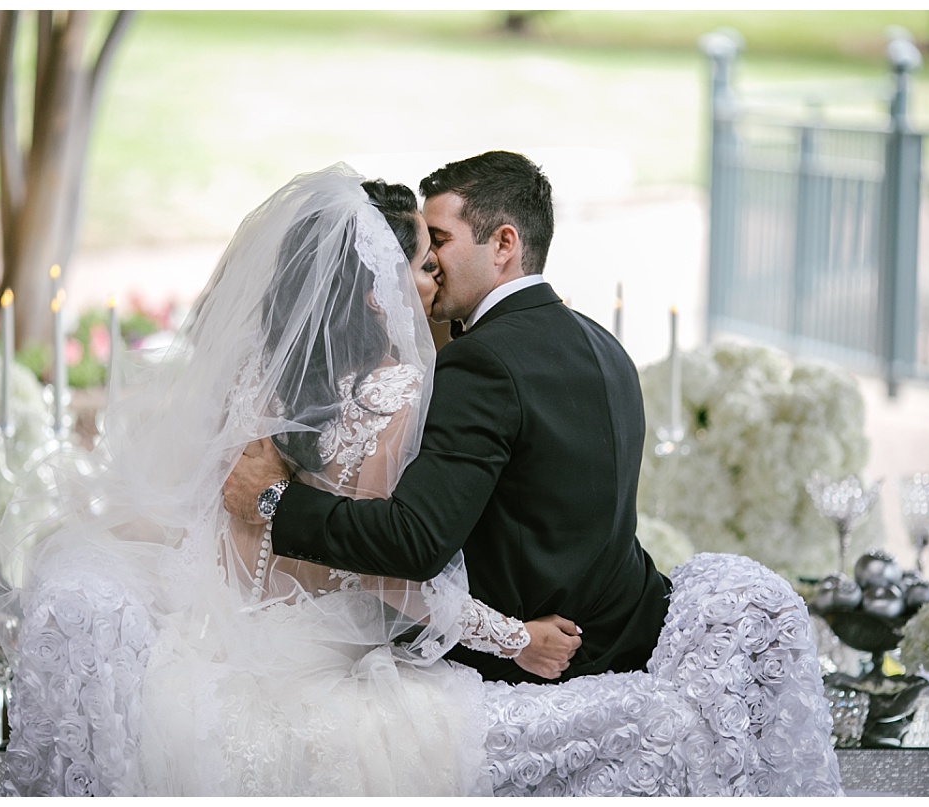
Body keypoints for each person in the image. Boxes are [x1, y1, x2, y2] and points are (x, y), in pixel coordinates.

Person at [0, 165, 572, 796]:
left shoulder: (259, 375)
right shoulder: (393, 391)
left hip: (205, 653)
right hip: (309, 668)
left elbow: (218, 517)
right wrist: (515, 638)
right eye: (423, 266)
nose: (433, 281)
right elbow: (375, 565)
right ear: (378, 291)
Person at [226, 151, 670, 685]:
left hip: (531, 665)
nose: (428, 260)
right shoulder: (605, 344)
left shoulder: (479, 362)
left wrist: (272, 499)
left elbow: (412, 541)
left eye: (439, 240)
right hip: (626, 631)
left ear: (504, 244)